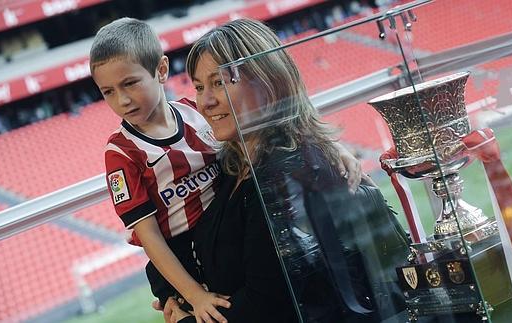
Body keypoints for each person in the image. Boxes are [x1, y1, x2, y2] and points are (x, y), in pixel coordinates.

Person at [90, 17, 366, 323]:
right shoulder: (121, 152)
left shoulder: (195, 115)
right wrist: (191, 294)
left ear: (162, 70)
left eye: (129, 83)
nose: (122, 100)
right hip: (180, 252)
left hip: (221, 241)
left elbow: (286, 123)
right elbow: (148, 235)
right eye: (108, 92)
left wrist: (330, 146)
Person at [157, 18, 409, 323]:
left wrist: (184, 320)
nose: (206, 101)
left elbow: (267, 305)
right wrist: (173, 294)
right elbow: (183, 240)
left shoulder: (288, 174)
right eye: (199, 87)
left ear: (268, 81)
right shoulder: (227, 167)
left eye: (220, 82)